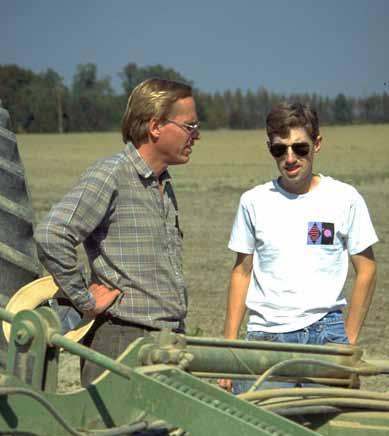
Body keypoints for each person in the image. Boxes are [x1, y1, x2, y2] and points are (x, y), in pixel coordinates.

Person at [35, 78, 200, 386]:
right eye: (189, 127)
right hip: (122, 340)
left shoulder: (162, 182)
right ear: (155, 127)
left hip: (165, 341)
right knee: (118, 435)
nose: (197, 136)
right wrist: (84, 300)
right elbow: (51, 234)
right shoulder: (111, 174)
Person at [219, 102, 378, 394]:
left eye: (299, 148)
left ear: (317, 143)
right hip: (265, 338)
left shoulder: (345, 198)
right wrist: (230, 347)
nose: (290, 158)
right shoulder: (253, 201)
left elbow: (366, 269)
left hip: (326, 333)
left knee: (331, 433)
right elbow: (241, 272)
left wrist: (347, 342)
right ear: (271, 149)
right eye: (280, 150)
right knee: (257, 433)